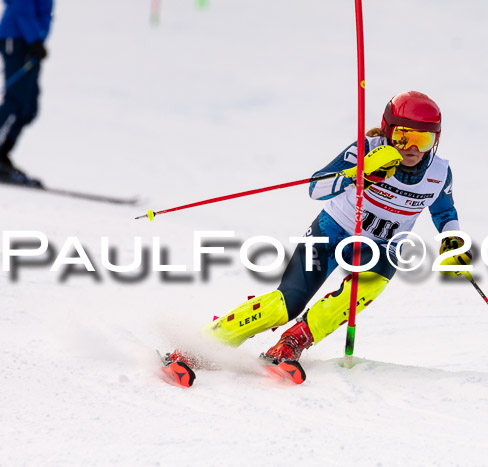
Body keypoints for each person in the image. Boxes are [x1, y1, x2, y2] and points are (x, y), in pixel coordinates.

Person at [165, 91, 472, 384]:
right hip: (332, 231)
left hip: (380, 248)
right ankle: (200, 346)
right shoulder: (364, 150)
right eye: (404, 136)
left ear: (436, 140)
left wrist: (452, 240)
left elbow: (445, 213)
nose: (412, 147)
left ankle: (289, 345)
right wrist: (358, 174)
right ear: (389, 131)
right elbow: (315, 188)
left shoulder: (439, 173)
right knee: (287, 303)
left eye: (423, 138)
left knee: (360, 292)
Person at [0, 0, 53, 187]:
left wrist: (37, 41)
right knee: (15, 101)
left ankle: (0, 155)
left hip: (29, 42)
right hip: (17, 38)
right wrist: (34, 40)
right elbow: (22, 7)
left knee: (28, 107)